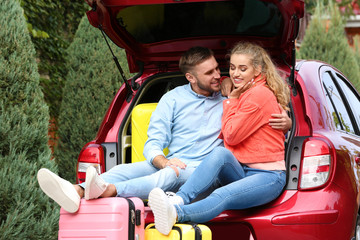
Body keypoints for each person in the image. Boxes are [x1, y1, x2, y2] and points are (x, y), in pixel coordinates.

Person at [37, 46, 291, 214]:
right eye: (210, 72)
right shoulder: (172, 99)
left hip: (206, 169)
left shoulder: (230, 95)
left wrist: (287, 122)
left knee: (169, 176)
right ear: (190, 78)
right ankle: (77, 190)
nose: (220, 75)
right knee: (125, 169)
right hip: (175, 160)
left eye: (218, 69)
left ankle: (106, 190)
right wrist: (161, 159)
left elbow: (262, 116)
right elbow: (154, 141)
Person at [148, 42, 291, 235]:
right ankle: (178, 199)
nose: (236, 74)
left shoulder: (258, 95)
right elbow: (229, 83)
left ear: (257, 69)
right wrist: (226, 81)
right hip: (244, 170)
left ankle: (175, 213)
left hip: (268, 177)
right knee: (220, 154)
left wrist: (230, 100)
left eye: (243, 68)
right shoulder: (246, 89)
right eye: (232, 68)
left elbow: (231, 135)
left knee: (222, 194)